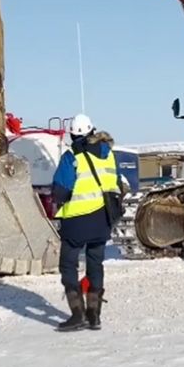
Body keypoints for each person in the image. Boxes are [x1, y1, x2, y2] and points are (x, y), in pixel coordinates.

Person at [48, 113, 126, 332]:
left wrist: (56, 197)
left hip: (77, 220)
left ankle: (77, 314)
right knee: (95, 264)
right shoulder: (108, 154)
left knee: (68, 264)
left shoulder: (72, 155)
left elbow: (61, 191)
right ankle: (94, 315)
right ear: (93, 131)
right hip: (102, 219)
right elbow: (117, 182)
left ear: (72, 134)